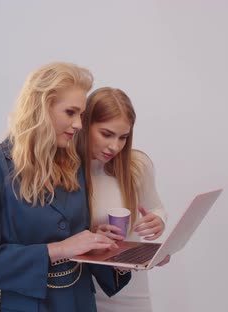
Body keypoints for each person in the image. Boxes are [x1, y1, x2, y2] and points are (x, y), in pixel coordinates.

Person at [0, 63, 131, 312]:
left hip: (78, 302)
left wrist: (99, 245)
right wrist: (61, 249)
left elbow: (74, 240)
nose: (79, 124)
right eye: (70, 112)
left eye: (81, 114)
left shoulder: (73, 164)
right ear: (40, 108)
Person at [77, 87, 169, 312]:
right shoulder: (68, 171)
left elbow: (155, 207)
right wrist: (92, 236)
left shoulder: (136, 166)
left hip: (132, 290)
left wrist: (158, 220)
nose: (115, 146)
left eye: (123, 137)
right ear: (84, 124)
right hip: (84, 290)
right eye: (106, 134)